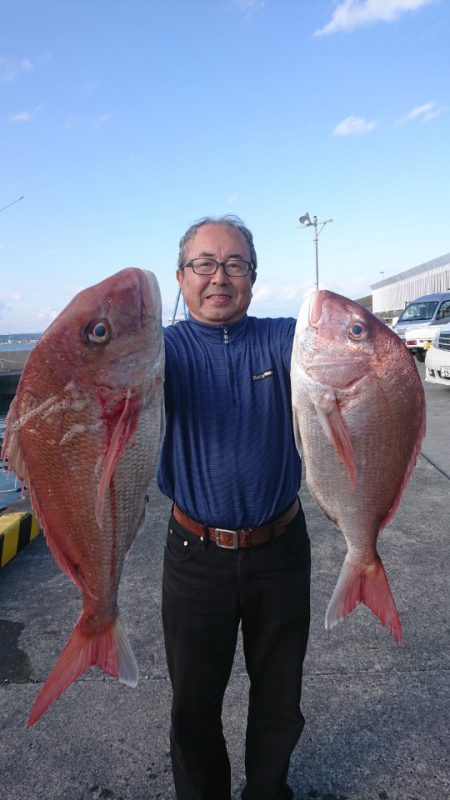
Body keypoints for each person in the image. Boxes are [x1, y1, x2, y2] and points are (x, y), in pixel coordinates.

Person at [157, 215, 311, 800]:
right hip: (195, 555)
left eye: (234, 264)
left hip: (281, 549)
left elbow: (353, 352)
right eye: (204, 264)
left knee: (280, 698)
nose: (219, 277)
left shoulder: (284, 339)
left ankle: (268, 792)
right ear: (181, 277)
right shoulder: (162, 351)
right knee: (193, 706)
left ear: (252, 277)